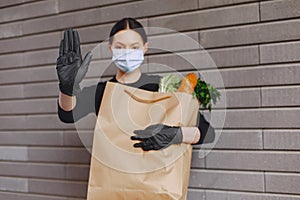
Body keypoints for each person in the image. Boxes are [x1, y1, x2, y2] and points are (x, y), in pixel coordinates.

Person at [56, 17, 215, 151]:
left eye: (134, 47)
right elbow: (67, 115)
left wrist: (178, 135)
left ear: (145, 47)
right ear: (110, 48)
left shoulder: (162, 86)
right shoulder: (101, 91)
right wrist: (67, 88)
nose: (126, 53)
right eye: (120, 47)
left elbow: (208, 133)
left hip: (158, 180)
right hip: (113, 177)